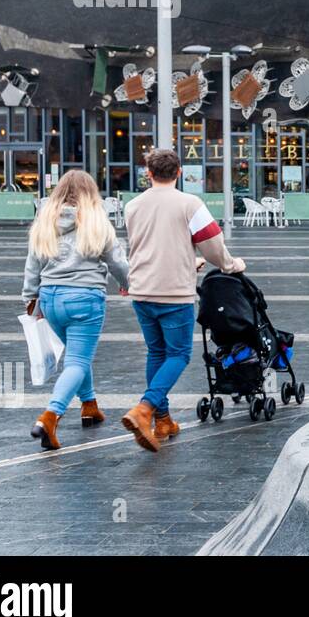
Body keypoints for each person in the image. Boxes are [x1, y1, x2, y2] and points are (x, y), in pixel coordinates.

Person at [121, 149, 244, 453]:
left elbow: (148, 246)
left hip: (142, 290)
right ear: (178, 173)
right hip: (173, 292)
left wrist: (189, 262)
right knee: (178, 355)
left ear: (148, 173)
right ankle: (145, 409)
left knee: (156, 353)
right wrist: (229, 265)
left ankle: (163, 421)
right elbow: (213, 244)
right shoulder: (189, 203)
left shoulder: (132, 206)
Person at [22, 170, 129, 451]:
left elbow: (32, 263)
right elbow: (117, 262)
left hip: (50, 299)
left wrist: (30, 299)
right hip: (84, 298)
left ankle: (90, 405)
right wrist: (127, 283)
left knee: (77, 355)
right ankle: (50, 416)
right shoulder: (97, 221)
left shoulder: (45, 219)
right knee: (78, 361)